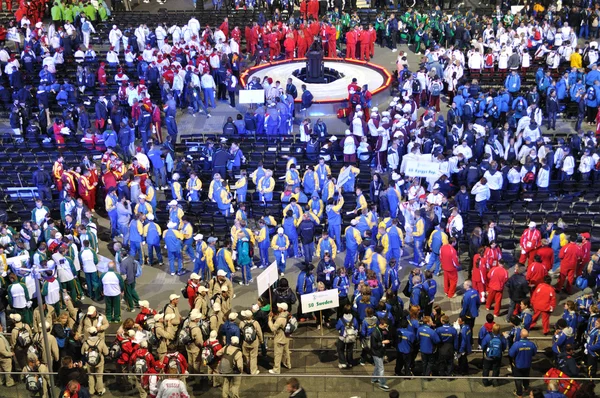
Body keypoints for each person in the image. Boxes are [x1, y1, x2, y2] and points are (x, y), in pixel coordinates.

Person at [508, 329, 538, 398]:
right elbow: (534, 353)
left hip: (518, 365)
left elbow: (511, 354)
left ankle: (519, 394)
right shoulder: (531, 344)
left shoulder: (516, 345)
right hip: (527, 364)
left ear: (520, 335)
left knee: (518, 380)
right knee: (526, 377)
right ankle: (526, 388)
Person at [268, 302, 291, 375]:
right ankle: (288, 364)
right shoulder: (288, 314)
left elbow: (273, 328)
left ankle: (276, 369)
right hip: (287, 336)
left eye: (279, 307)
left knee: (278, 354)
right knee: (286, 352)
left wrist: (269, 320)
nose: (278, 307)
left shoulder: (280, 319)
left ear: (282, 309)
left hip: (280, 338)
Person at [370, 316, 390, 391]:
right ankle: (382, 384)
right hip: (376, 353)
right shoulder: (375, 333)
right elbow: (374, 345)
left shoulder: (380, 330)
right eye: (385, 326)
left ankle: (374, 378)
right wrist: (382, 342)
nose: (386, 327)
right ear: (381, 325)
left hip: (379, 352)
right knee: (381, 369)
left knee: (377, 366)